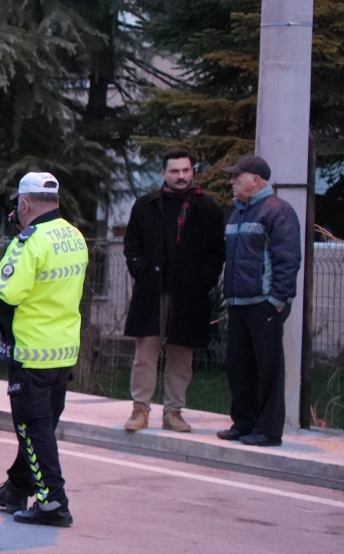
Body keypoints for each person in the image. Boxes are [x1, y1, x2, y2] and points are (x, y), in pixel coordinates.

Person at [0, 172, 88, 527]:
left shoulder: (29, 241)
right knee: (40, 425)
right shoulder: (74, 235)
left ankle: (54, 501)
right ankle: (17, 487)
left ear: (24, 204)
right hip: (63, 349)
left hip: (31, 351)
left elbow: (8, 292)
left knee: (33, 428)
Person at [121, 147, 225, 433]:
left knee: (181, 357)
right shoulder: (146, 205)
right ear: (164, 173)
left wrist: (204, 280)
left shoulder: (208, 210)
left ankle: (174, 411)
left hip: (189, 296)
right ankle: (140, 409)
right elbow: (132, 245)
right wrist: (141, 273)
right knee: (145, 355)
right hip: (151, 292)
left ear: (193, 171)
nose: (181, 176)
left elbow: (216, 254)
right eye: (175, 171)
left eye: (186, 171)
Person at [216, 154, 301, 447]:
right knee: (239, 367)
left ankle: (268, 430)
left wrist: (277, 299)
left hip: (264, 303)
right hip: (239, 303)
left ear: (256, 179)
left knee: (268, 369)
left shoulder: (278, 211)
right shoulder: (239, 212)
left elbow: (288, 260)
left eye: (237, 176)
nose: (233, 181)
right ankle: (244, 423)